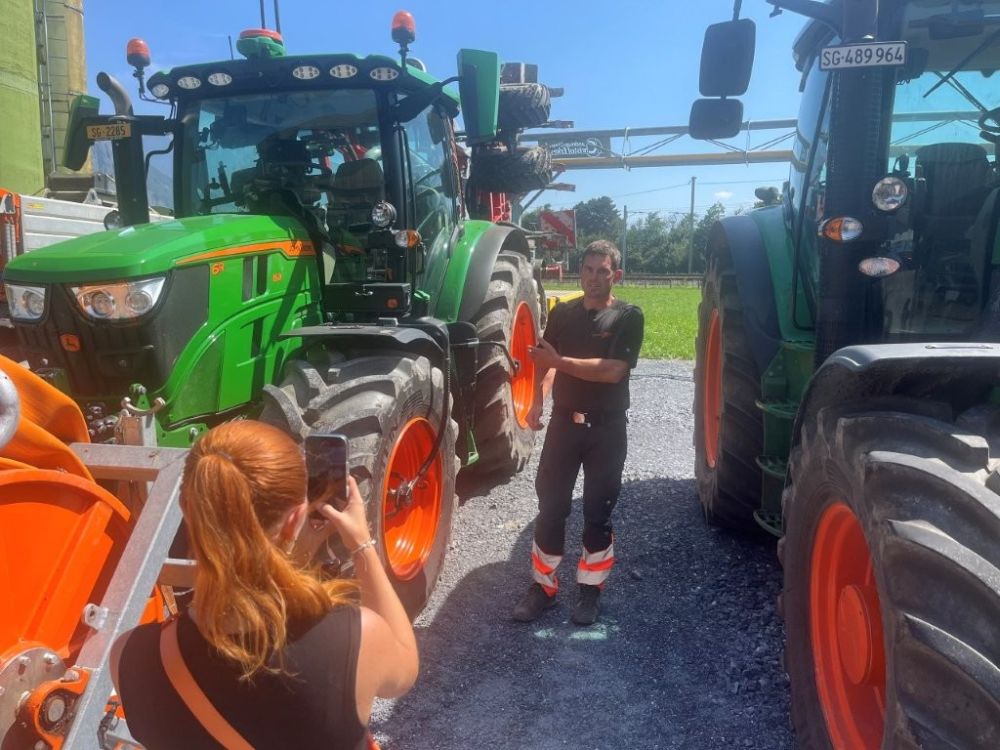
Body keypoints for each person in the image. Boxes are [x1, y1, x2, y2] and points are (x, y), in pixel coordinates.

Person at [110, 420, 417, 749]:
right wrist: (361, 545)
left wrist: (290, 547)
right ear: (294, 520)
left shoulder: (128, 657)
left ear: (186, 507)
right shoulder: (358, 639)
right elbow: (403, 671)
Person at [513, 240, 644, 626]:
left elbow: (612, 370)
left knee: (597, 513)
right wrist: (538, 397)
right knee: (551, 507)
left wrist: (558, 362)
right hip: (563, 426)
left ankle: (590, 591)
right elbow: (544, 359)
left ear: (615, 275)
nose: (593, 277)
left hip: (606, 430)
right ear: (580, 271)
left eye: (603, 271)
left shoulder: (627, 317)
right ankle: (543, 587)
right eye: (588, 269)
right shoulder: (564, 313)